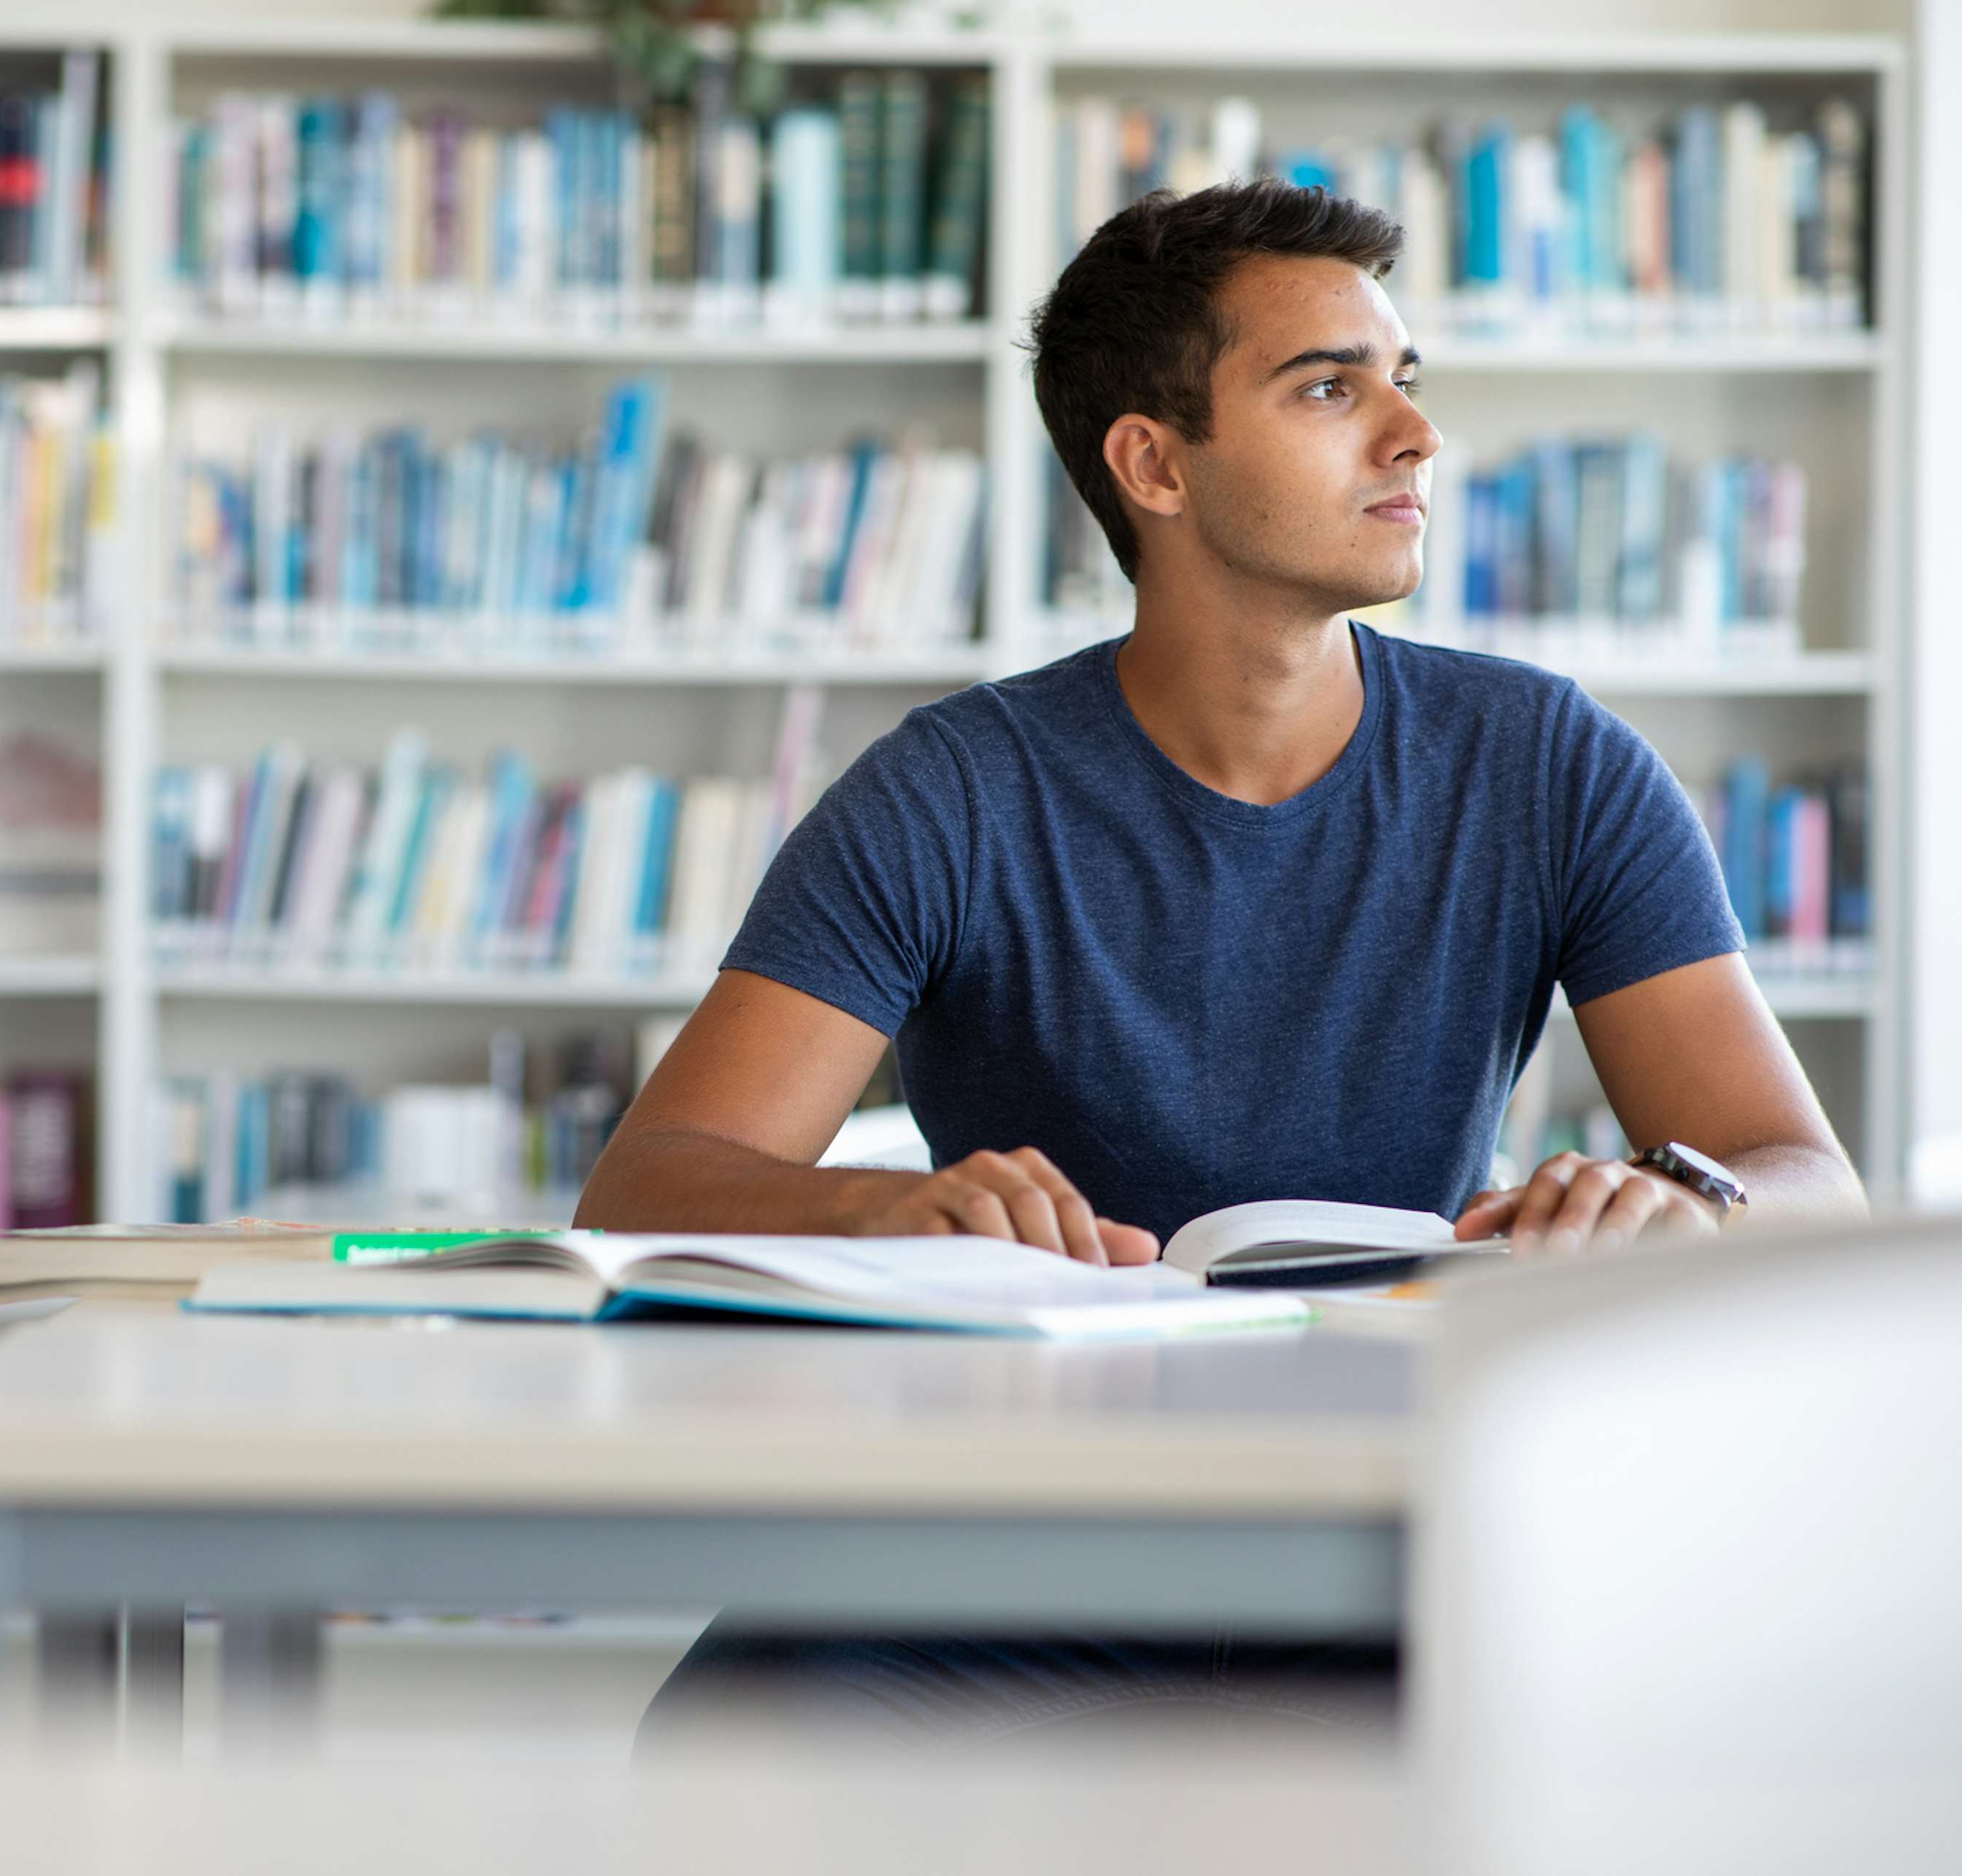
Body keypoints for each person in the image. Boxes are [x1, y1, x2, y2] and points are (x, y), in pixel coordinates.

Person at [581, 178, 1867, 1751]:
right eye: (1331, 386)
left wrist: (1687, 1200)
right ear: (1153, 463)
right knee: (723, 1752)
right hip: (1016, 1545)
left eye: (1407, 380)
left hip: (1412, 1531)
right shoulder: (951, 788)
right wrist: (891, 1206)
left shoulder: (1551, 765)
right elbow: (646, 1185)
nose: (1414, 436)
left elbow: (1805, 1175)